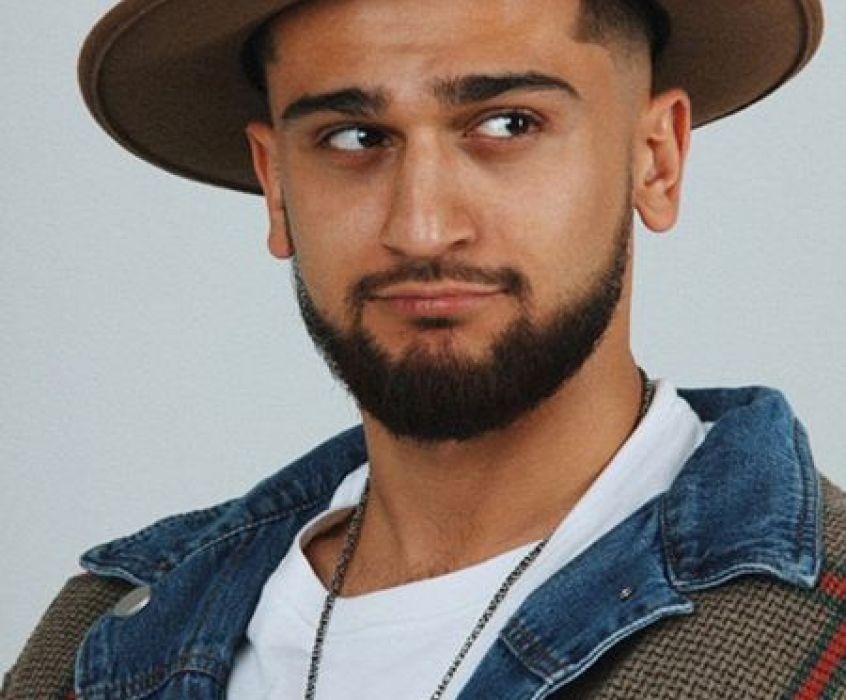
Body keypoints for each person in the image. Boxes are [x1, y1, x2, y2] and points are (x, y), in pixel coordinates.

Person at [4, 0, 845, 698]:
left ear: (655, 161)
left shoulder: (817, 639)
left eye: (507, 124)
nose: (422, 227)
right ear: (276, 184)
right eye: (354, 138)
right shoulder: (95, 644)